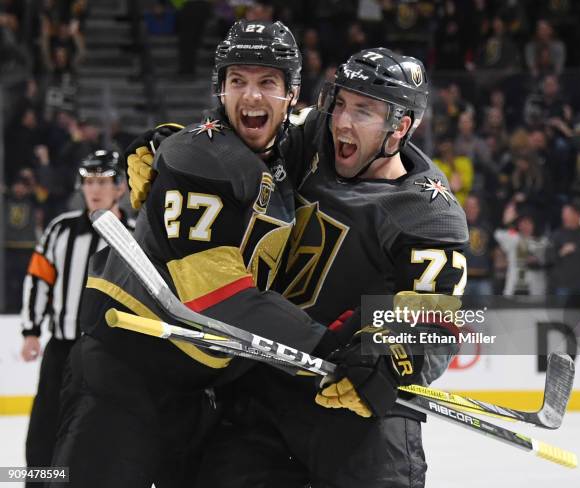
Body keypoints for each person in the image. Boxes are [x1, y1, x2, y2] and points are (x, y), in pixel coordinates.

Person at [128, 47, 468, 488]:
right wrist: (178, 148)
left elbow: (434, 322)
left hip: (352, 394)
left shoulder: (428, 213)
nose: (342, 121)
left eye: (363, 111)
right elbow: (244, 136)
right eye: (340, 102)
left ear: (399, 127)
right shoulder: (312, 136)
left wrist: (388, 357)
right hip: (264, 378)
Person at [50, 21, 335, 488]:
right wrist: (328, 347)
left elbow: (367, 128)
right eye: (237, 81)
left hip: (195, 388)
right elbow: (218, 297)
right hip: (125, 374)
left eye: (268, 82)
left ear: (292, 93)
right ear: (219, 90)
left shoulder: (285, 149)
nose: (252, 97)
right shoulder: (200, 160)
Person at [20, 151, 132, 486]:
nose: (94, 189)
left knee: (104, 433)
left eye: (101, 181)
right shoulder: (60, 230)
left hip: (111, 355)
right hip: (61, 350)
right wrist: (31, 330)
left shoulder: (135, 234)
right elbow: (38, 279)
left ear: (120, 187)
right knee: (43, 432)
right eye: (88, 182)